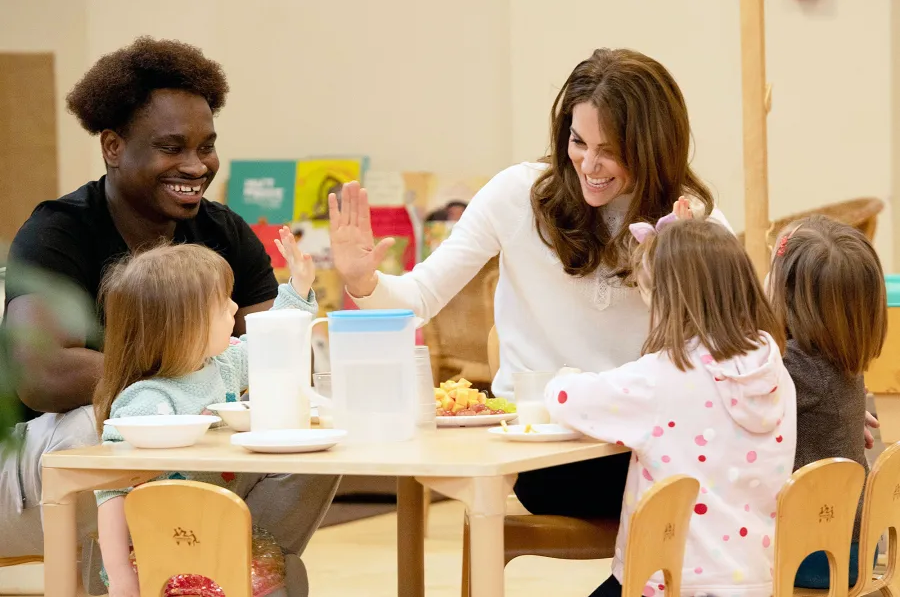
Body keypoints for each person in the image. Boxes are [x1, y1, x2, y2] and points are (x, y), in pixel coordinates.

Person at [328, 47, 732, 518]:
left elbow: (722, 351)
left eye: (611, 152)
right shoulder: (517, 195)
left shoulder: (693, 221)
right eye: (579, 142)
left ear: (654, 149)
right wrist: (364, 280)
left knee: (693, 494)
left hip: (647, 445)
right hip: (542, 452)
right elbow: (420, 299)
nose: (589, 164)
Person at [0, 38, 338, 579]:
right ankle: (125, 581)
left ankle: (242, 570)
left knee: (311, 436)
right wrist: (177, 386)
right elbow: (41, 376)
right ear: (113, 146)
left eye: (206, 146)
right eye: (172, 147)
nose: (196, 165)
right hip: (36, 472)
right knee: (114, 420)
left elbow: (274, 354)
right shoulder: (59, 231)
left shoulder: (222, 230)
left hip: (180, 457)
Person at [546, 218, 796, 597]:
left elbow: (565, 400)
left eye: (648, 296)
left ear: (668, 299)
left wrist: (558, 380)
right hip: (759, 579)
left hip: (670, 581)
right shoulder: (771, 364)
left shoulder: (660, 378)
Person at [95, 231, 314, 597]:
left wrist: (298, 287)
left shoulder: (222, 363)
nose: (234, 308)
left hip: (212, 537)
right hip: (161, 555)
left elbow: (270, 341)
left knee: (289, 573)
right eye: (222, 303)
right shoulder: (148, 402)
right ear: (183, 324)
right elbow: (112, 491)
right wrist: (121, 579)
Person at [766, 216, 887, 589]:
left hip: (818, 554)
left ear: (787, 292)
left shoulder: (791, 367)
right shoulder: (842, 354)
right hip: (857, 542)